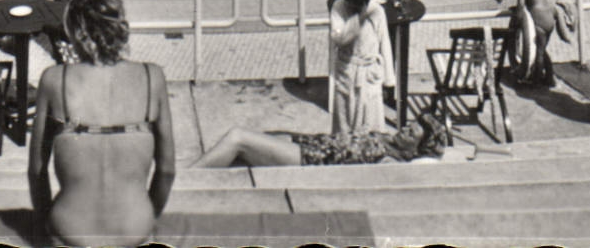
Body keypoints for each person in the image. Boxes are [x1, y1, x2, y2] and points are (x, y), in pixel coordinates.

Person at [28, 0, 175, 248]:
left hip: (71, 233)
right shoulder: (153, 77)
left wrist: (44, 227)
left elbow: (36, 172)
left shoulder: (54, 79)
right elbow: (166, 171)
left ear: (75, 32)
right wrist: (144, 215)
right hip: (134, 233)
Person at [193, 110, 451, 168]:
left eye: (412, 132)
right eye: (409, 124)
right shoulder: (388, 140)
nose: (405, 128)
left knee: (238, 138)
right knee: (238, 151)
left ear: (416, 149)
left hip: (309, 162)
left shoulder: (391, 161)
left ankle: (181, 181)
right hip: (307, 146)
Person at [328, 0, 395, 135]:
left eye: (358, 7)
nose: (353, 9)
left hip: (369, 73)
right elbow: (340, 38)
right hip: (347, 72)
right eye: (351, 6)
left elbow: (384, 43)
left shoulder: (377, 11)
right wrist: (359, 18)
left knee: (371, 125)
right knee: (345, 123)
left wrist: (388, 81)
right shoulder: (338, 7)